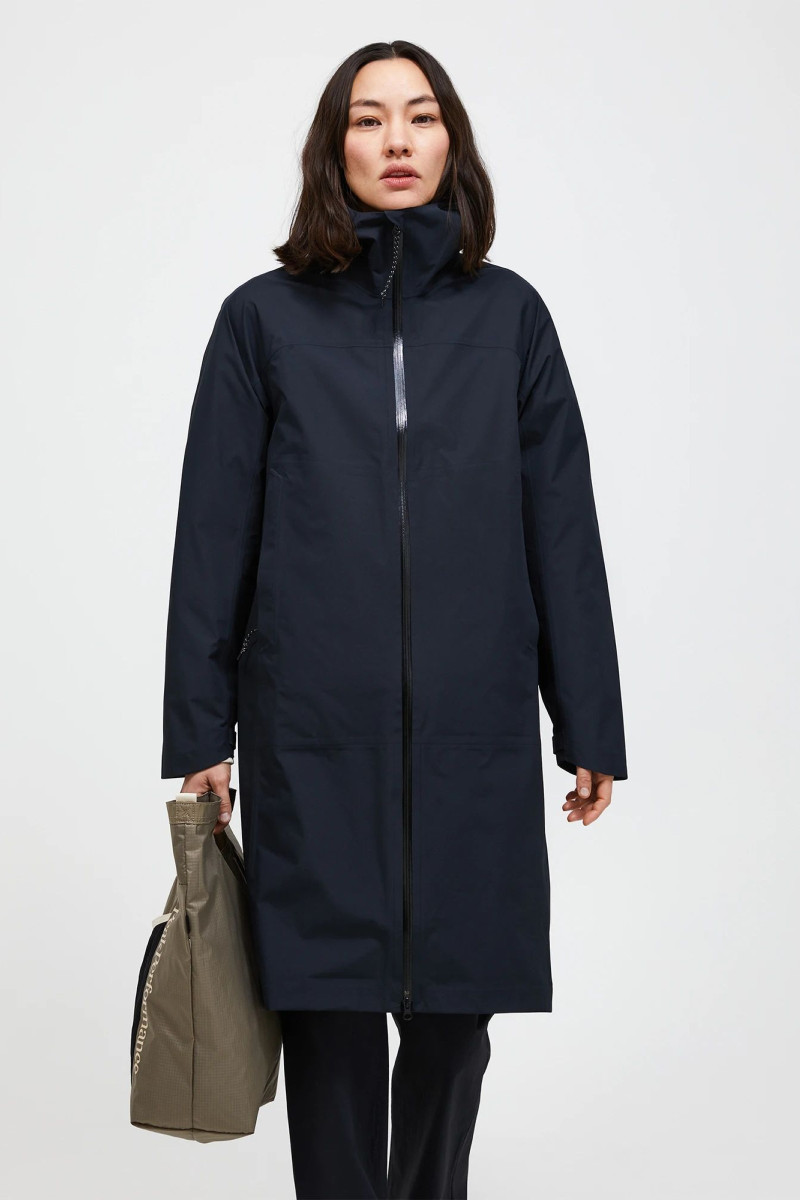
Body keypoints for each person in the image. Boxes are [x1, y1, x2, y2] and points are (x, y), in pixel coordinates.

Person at [160, 39, 627, 1200]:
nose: (397, 141)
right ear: (335, 150)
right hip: (311, 735)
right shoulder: (261, 321)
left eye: (419, 117)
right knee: (326, 1027)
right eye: (368, 120)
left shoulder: (510, 318)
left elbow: (560, 529)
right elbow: (212, 535)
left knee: (455, 1030)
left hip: (471, 734)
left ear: (450, 141)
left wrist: (587, 723)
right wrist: (201, 733)